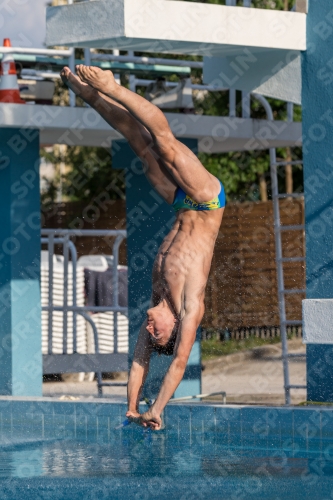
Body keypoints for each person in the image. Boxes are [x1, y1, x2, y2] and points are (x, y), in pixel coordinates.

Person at [60, 65, 225, 430]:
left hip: (183, 204)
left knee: (140, 144)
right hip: (206, 199)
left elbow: (138, 362)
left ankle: (89, 94)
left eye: (149, 333)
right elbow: (179, 363)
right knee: (163, 142)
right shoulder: (189, 306)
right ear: (174, 329)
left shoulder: (157, 301)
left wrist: (133, 407)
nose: (148, 329)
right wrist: (159, 409)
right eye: (156, 333)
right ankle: (112, 87)